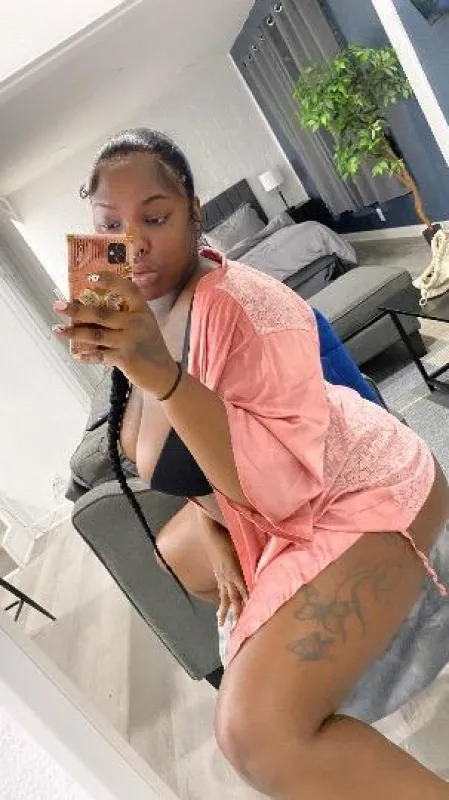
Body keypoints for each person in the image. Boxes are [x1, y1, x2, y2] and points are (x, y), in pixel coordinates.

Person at [53, 128, 449, 799]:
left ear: (193, 213)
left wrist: (161, 374)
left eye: (155, 217)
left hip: (356, 486)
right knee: (178, 554)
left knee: (254, 734)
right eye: (111, 226)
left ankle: (319, 699)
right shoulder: (148, 319)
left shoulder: (245, 309)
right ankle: (325, 682)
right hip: (269, 496)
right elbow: (182, 456)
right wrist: (214, 529)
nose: (134, 242)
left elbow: (284, 486)